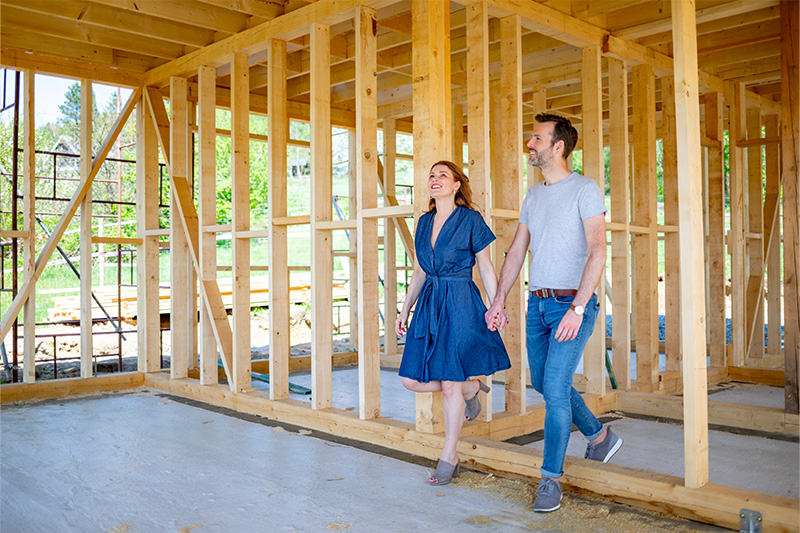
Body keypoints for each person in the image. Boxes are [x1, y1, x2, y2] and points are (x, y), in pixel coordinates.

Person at [485, 114, 623, 512]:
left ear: (557, 146)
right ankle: (599, 437)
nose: (530, 143)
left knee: (556, 393)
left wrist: (578, 308)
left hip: (571, 304)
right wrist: (498, 301)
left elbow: (598, 250)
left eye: (537, 138)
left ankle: (550, 478)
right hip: (537, 304)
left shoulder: (585, 188)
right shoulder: (534, 196)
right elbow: (516, 252)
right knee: (547, 385)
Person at [396, 160, 511, 485]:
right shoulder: (423, 221)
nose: (435, 180)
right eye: (431, 176)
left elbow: (486, 266)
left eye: (442, 175)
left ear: (456, 185)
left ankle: (449, 455)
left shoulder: (471, 219)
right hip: (431, 302)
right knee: (410, 380)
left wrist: (496, 304)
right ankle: (472, 387)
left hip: (461, 302)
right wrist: (404, 310)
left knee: (448, 383)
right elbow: (419, 271)